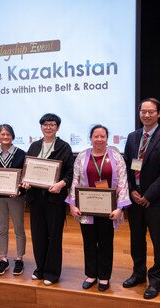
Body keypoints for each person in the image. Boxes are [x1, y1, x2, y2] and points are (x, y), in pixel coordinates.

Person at [122, 98, 160, 299]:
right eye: (143, 111)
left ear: (159, 114)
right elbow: (127, 166)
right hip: (135, 199)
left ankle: (156, 281)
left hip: (156, 201)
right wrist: (131, 191)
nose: (146, 115)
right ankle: (138, 274)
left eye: (151, 112)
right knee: (136, 239)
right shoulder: (132, 136)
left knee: (158, 242)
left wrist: (148, 195)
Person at [66, 125, 131, 291]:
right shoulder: (81, 156)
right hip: (86, 209)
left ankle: (104, 277)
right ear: (91, 138)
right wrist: (72, 204)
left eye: (103, 136)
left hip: (109, 210)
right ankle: (91, 274)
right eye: (96, 136)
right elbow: (75, 180)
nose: (99, 139)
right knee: (88, 242)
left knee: (105, 243)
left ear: (107, 138)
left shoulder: (116, 156)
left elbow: (123, 182)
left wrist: (120, 208)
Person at [22, 113, 74, 286]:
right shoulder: (34, 146)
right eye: (45, 124)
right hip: (36, 198)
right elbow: (26, 169)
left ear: (57, 127)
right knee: (38, 235)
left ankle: (52, 273)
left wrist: (61, 184)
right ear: (41, 127)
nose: (48, 127)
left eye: (52, 124)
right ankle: (40, 269)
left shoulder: (64, 147)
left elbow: (70, 173)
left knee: (54, 236)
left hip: (54, 199)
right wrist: (26, 181)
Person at [0, 124, 27, 276]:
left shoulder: (22, 154)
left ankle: (19, 258)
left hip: (16, 197)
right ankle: (3, 259)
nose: (5, 137)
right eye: (2, 134)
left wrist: (20, 189)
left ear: (13, 136)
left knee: (18, 228)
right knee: (2, 228)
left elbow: (25, 177)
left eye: (8, 134)